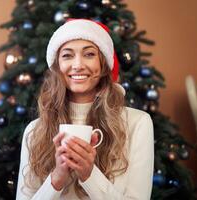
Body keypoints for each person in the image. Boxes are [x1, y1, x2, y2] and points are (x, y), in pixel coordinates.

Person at [16, 19, 154, 200]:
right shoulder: (35, 131)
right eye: (67, 55)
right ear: (57, 66)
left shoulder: (137, 123)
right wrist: (57, 178)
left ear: (103, 64)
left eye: (89, 54)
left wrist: (89, 175)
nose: (78, 65)